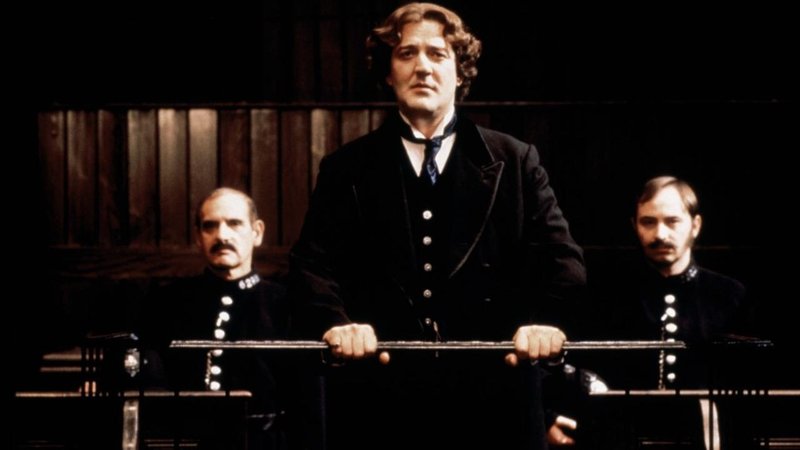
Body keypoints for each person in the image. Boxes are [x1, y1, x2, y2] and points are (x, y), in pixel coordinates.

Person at [289, 3, 586, 450]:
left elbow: (565, 264)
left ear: (460, 72)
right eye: (406, 53)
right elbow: (310, 267)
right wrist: (336, 323)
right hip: (380, 407)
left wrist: (544, 324)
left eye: (438, 54)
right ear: (388, 72)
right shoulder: (345, 168)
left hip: (494, 405)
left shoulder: (515, 160)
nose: (423, 67)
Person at [572, 176, 754, 449]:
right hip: (623, 436)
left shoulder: (729, 295)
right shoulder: (609, 296)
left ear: (695, 225)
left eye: (672, 221)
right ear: (634, 226)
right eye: (648, 222)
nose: (660, 234)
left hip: (705, 438)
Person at [138, 187, 288, 450]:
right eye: (210, 226)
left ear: (257, 232)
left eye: (234, 223)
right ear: (198, 236)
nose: (222, 235)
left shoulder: (285, 304)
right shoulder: (166, 302)